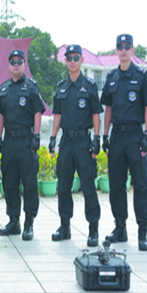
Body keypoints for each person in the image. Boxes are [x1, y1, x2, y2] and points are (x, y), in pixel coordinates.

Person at [100, 34, 147, 251]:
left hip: (135, 137)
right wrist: (105, 135)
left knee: (140, 184)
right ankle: (120, 227)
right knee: (116, 185)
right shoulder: (111, 77)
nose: (123, 50)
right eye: (120, 46)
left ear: (132, 49)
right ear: (116, 50)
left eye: (127, 46)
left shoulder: (141, 76)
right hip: (116, 137)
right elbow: (108, 108)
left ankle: (143, 231)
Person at [48, 45, 103, 247]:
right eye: (69, 58)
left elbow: (96, 114)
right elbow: (57, 115)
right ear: (65, 61)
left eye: (76, 58)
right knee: (63, 186)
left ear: (81, 60)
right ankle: (65, 227)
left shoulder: (89, 86)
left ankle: (93, 229)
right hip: (66, 142)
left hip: (82, 142)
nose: (72, 61)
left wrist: (96, 138)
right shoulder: (61, 87)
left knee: (88, 186)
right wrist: (52, 138)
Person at [0, 49, 45, 241]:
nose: (16, 65)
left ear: (24, 64)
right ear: (9, 65)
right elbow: (0, 114)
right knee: (9, 182)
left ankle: (29, 223)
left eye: (19, 62)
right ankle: (13, 221)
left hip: (26, 141)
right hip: (9, 142)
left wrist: (36, 135)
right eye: (13, 62)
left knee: (29, 183)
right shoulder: (4, 89)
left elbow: (37, 112)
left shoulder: (31, 87)